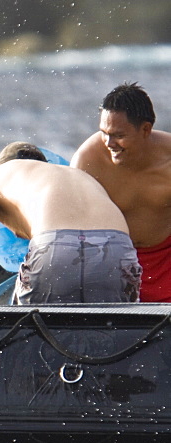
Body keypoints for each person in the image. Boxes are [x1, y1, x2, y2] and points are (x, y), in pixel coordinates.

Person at [0, 141, 141, 305]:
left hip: (56, 248)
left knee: (31, 336)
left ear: (2, 164)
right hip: (117, 247)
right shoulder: (77, 176)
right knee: (116, 334)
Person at [71, 82, 171, 302]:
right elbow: (72, 224)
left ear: (145, 129)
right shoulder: (88, 160)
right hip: (110, 263)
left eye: (118, 135)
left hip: (166, 263)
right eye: (103, 133)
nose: (109, 143)